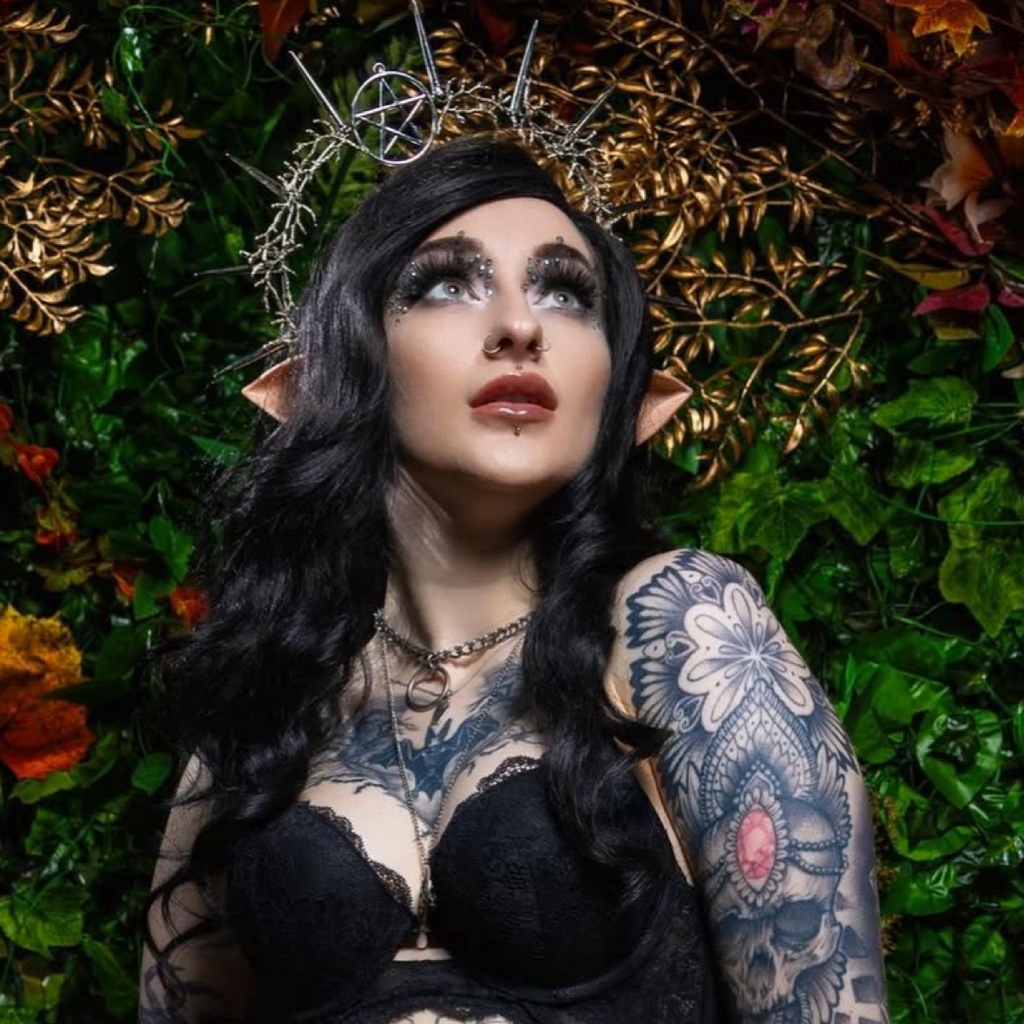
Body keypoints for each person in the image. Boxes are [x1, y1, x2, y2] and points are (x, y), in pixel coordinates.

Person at [140, 137, 888, 1024]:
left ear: (618, 386)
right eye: (447, 284)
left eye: (565, 293)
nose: (521, 327)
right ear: (347, 359)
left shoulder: (682, 628)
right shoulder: (269, 695)